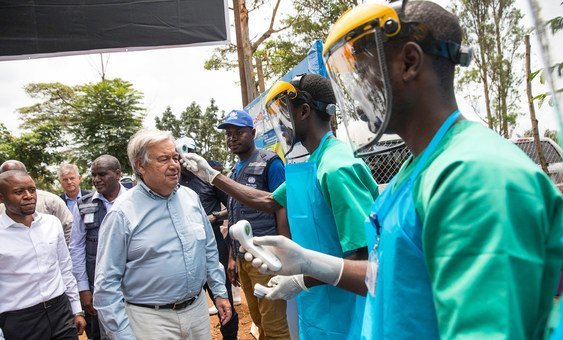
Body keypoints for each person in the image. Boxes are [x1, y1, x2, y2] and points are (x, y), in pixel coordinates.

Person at [238, 1, 563, 339]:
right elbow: (398, 276)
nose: (356, 91)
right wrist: (312, 264)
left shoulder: (474, 177)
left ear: (409, 63)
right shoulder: (419, 166)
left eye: (363, 71)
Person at [183, 81, 378, 339]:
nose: (280, 124)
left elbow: (364, 262)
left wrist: (300, 279)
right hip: (320, 307)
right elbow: (269, 201)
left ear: (305, 111)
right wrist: (213, 175)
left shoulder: (336, 167)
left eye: (283, 113)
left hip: (347, 311)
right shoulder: (314, 162)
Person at [93, 129, 231, 339]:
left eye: (175, 157)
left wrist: (219, 292)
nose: (174, 165)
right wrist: (122, 335)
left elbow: (209, 249)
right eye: (164, 159)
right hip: (150, 321)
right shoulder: (122, 213)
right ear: (140, 165)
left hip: (197, 312)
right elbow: (106, 284)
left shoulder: (191, 198)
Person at [216, 109, 290, 339]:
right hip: (243, 257)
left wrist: (284, 250)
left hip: (266, 256)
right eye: (228, 134)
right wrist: (231, 256)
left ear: (253, 132)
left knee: (274, 324)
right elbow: (235, 215)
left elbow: (282, 205)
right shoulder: (233, 171)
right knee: (258, 320)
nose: (233, 138)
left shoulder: (271, 163)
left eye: (239, 132)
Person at [0, 170, 86, 339]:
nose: (28, 196)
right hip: (20, 320)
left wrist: (77, 309)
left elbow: (65, 268)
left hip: (61, 312)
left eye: (32, 190)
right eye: (19, 192)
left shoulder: (51, 224)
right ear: (1, 197)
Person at [176, 136, 239, 340]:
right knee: (188, 306)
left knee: (224, 300)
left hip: (214, 247)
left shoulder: (207, 178)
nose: (185, 161)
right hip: (184, 251)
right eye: (181, 157)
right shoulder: (172, 183)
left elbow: (233, 207)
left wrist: (215, 216)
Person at [69, 155, 127, 340]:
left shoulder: (134, 201)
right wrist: (84, 289)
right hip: (97, 289)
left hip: (133, 287)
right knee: (99, 334)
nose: (96, 180)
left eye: (102, 174)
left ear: (118, 174)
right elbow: (76, 248)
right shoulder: (83, 205)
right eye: (93, 175)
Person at [0, 160, 74, 245]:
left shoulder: (51, 202)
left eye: (32, 190)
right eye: (7, 176)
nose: (28, 196)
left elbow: (69, 228)